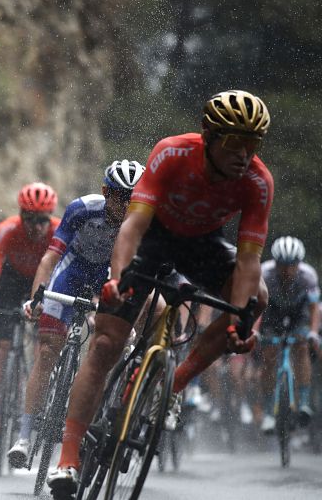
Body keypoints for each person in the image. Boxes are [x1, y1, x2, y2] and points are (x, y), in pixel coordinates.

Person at [48, 90, 273, 498]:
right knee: (104, 342)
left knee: (257, 294)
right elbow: (132, 228)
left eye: (253, 144)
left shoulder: (258, 182)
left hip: (204, 245)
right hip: (155, 238)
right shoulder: (172, 154)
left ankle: (173, 386)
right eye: (234, 142)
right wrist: (117, 280)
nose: (244, 154)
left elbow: (248, 260)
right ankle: (67, 458)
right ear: (209, 137)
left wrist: (240, 317)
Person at [5, 160, 144, 468]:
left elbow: (136, 271)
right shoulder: (82, 209)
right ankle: (25, 437)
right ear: (106, 192)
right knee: (47, 350)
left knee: (106, 348)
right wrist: (36, 299)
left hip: (110, 276)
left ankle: (89, 427)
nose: (127, 204)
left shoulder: (140, 220)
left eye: (133, 198)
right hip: (73, 271)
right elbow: (51, 258)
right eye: (121, 196)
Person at [0, 183, 61, 455]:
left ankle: (32, 413)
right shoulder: (7, 230)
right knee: (1, 353)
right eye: (29, 219)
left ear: (51, 218)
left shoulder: (59, 232)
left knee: (41, 351)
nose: (35, 226)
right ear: (20, 215)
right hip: (11, 284)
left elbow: (60, 276)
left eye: (42, 220)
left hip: (45, 285)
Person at [258, 236, 320, 433]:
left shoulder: (308, 276)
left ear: (298, 264)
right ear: (275, 263)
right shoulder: (264, 274)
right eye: (282, 265)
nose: (286, 270)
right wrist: (253, 330)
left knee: (302, 348)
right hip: (271, 314)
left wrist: (312, 332)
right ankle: (268, 412)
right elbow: (258, 307)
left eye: (291, 265)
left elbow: (314, 308)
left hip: (298, 315)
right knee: (269, 357)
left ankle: (303, 402)